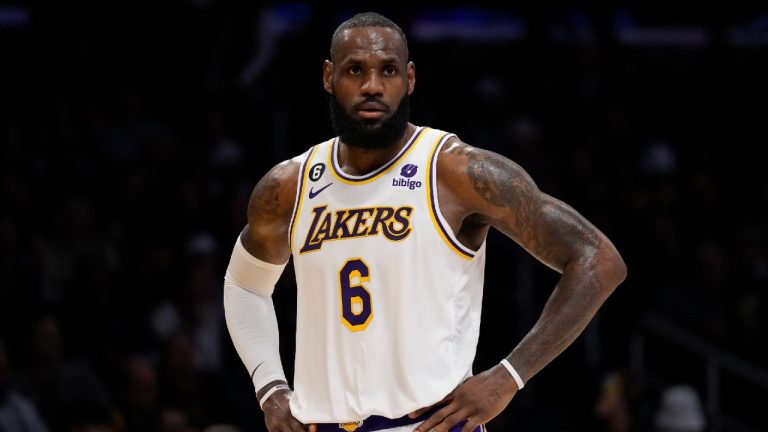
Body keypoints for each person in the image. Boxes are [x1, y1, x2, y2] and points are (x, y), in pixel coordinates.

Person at [223, 11, 626, 432]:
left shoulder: (453, 171)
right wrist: (269, 387)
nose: (372, 86)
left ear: (410, 79)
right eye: (355, 70)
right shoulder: (291, 185)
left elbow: (597, 259)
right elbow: (244, 285)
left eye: (388, 71)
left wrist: (508, 377)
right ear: (328, 77)